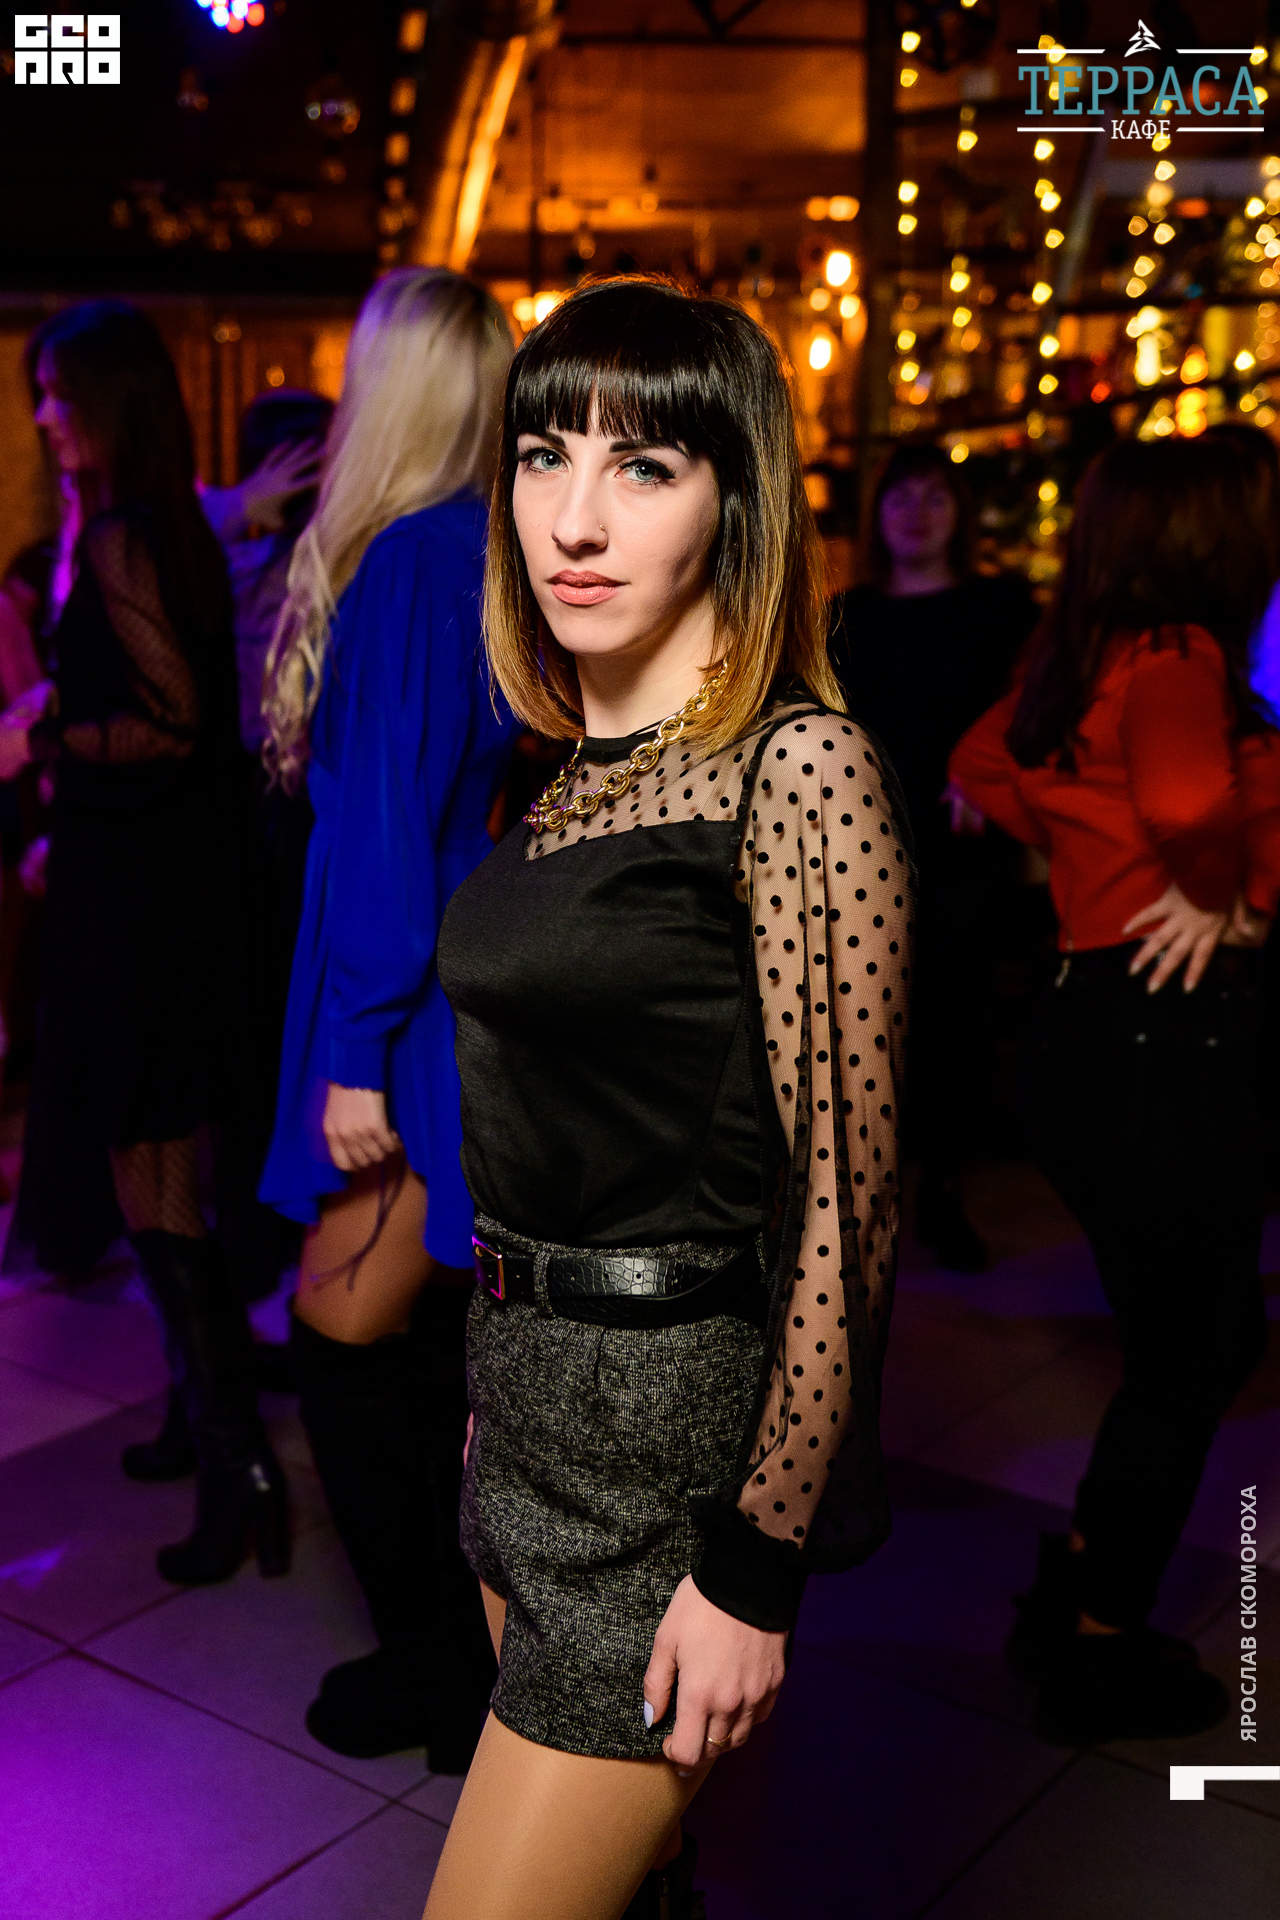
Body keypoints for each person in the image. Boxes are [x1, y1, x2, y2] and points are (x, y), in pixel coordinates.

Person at [423, 276, 912, 1920]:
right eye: (543, 455)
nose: (574, 517)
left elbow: (849, 1204)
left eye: (643, 465)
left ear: (734, 496)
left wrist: (756, 1559)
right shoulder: (573, 775)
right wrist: (499, 1389)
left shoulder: (801, 768)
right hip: (523, 1409)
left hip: (669, 1451)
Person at [948, 435, 1280, 1745]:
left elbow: (981, 762)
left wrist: (1096, 849)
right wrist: (1223, 896)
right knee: (1195, 1352)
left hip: (1083, 1035)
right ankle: (1096, 1639)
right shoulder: (1181, 658)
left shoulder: (1079, 653)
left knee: (1188, 1339)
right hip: (1164, 1041)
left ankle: (1082, 1574)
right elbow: (1191, 803)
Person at [259, 267, 517, 1772]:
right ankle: (452, 1666)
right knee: (418, 1337)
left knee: (343, 1337)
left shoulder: (421, 557)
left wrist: (354, 1050)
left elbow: (384, 836)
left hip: (406, 1002)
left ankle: (438, 1669)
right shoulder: (470, 546)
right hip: (434, 976)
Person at [0, 299, 288, 1583]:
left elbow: (170, 720)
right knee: (165, 1178)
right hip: (163, 902)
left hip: (145, 922)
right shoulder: (151, 526)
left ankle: (241, 1468)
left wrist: (43, 737)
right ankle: (200, 1420)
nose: (43, 415)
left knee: (155, 1185)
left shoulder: (123, 536)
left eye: (60, 394)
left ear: (112, 401)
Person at [829, 445, 1037, 1270]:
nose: (916, 512)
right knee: (864, 1025)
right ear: (877, 515)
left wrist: (995, 775)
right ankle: (865, 1197)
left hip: (965, 846)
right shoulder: (848, 614)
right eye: (900, 497)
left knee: (954, 1022)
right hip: (865, 845)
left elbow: (1038, 711)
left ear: (960, 511)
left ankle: (942, 1190)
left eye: (934, 496)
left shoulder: (1001, 607)